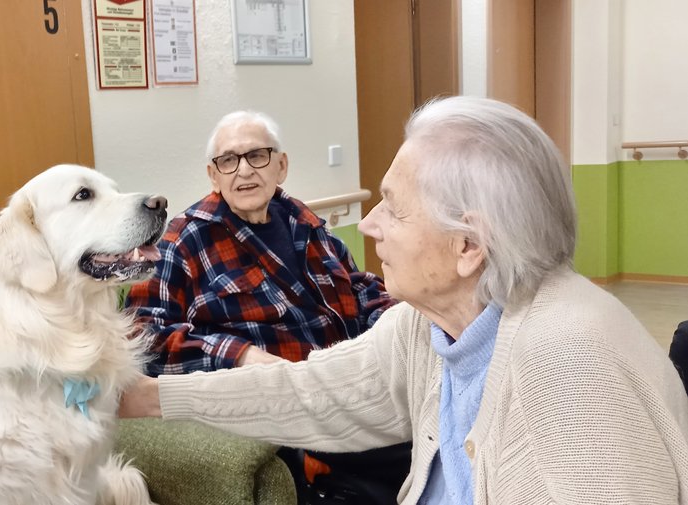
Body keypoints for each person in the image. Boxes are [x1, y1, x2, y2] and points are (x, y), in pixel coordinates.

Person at [121, 96, 688, 504]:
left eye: (392, 206)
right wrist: (151, 399)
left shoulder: (570, 362)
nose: (367, 224)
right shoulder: (429, 327)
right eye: (229, 161)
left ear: (468, 246)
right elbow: (313, 390)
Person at [124, 110, 408, 504]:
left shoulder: (305, 223)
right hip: (283, 408)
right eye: (229, 160)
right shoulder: (185, 240)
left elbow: (358, 287)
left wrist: (399, 320)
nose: (244, 171)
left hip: (351, 385)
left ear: (281, 165)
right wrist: (240, 355)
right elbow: (144, 337)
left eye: (257, 155)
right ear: (214, 175)